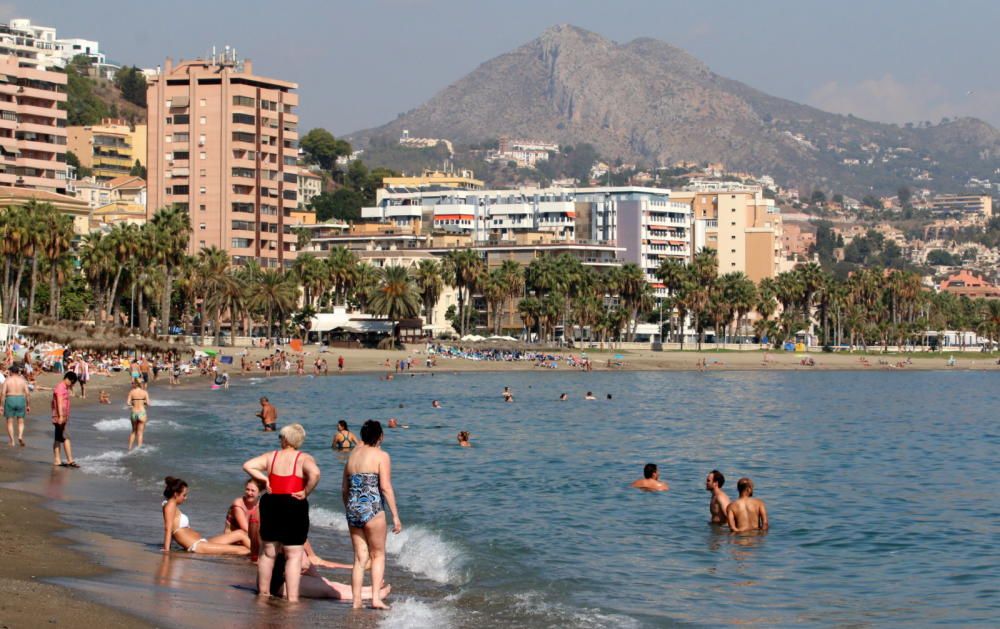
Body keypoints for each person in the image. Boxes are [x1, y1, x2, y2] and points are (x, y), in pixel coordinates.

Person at [243, 423, 321, 602]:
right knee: (293, 555)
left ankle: (263, 593)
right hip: (294, 503)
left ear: (285, 439)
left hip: (271, 503)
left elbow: (248, 465)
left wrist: (264, 478)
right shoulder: (303, 458)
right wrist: (306, 492)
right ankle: (292, 598)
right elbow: (315, 474)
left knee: (268, 552)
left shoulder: (272, 456)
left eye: (280, 437)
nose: (279, 440)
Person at [342, 420, 401, 610]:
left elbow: (344, 488)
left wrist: (349, 508)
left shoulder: (352, 456)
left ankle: (356, 602)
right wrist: (395, 516)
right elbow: (385, 487)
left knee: (359, 558)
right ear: (380, 436)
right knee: (378, 555)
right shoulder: (381, 455)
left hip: (353, 508)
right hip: (373, 508)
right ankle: (375, 599)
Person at [161, 477, 250, 555]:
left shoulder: (171, 506)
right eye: (184, 495)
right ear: (176, 494)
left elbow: (173, 529)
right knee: (242, 550)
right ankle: (260, 558)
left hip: (202, 542)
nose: (185, 498)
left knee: (240, 533)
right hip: (197, 546)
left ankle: (260, 553)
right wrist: (166, 549)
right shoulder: (170, 506)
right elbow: (168, 529)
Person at [225, 478, 264, 561]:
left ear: (259, 492)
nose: (249, 493)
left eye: (253, 491)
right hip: (232, 540)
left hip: (247, 541)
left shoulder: (261, 506)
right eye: (247, 489)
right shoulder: (238, 503)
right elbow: (246, 529)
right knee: (242, 533)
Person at [52, 371, 78, 468]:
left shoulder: (64, 387)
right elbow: (59, 402)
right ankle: (68, 460)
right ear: (69, 379)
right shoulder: (60, 387)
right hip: (59, 416)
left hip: (62, 416)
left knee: (59, 438)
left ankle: (59, 460)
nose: (71, 385)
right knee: (64, 437)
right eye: (72, 383)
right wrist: (61, 416)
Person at [2, 364, 30, 447]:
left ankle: (12, 441)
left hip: (10, 398)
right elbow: (27, 393)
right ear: (18, 372)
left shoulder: (7, 380)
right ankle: (20, 436)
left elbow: (3, 393)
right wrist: (28, 405)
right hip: (21, 399)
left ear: (11, 372)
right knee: (21, 421)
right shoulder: (23, 380)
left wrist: (1, 405)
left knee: (10, 421)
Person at [126, 379, 150, 450]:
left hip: (134, 412)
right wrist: (144, 402)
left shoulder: (132, 392)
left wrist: (132, 404)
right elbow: (148, 403)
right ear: (141, 384)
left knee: (133, 431)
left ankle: (129, 448)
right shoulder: (145, 392)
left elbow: (128, 403)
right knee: (140, 433)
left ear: (135, 384)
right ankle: (139, 449)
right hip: (142, 413)